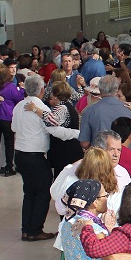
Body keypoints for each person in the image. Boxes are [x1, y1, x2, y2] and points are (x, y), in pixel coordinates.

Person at [12, 74, 80, 241]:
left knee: (29, 192)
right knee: (43, 192)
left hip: (19, 154)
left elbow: (13, 127)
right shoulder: (42, 107)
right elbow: (56, 131)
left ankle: (26, 229)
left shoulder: (19, 106)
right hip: (35, 156)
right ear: (42, 90)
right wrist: (78, 133)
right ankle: (35, 230)